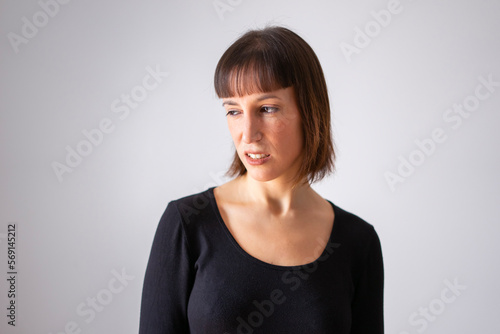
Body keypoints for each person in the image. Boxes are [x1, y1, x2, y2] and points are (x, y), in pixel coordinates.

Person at [139, 26, 384, 333]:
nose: (247, 134)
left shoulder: (357, 241)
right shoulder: (187, 223)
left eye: (267, 109)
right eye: (233, 111)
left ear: (310, 111)